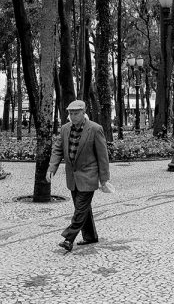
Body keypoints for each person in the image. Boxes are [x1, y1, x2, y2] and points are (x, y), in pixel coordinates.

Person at [46, 100, 111, 252]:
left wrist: (104, 179)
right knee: (83, 208)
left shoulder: (95, 129)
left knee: (80, 209)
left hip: (89, 175)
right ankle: (90, 236)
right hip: (73, 177)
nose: (73, 116)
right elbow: (58, 149)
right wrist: (52, 168)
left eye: (76, 113)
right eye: (70, 113)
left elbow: (103, 156)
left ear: (83, 113)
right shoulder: (65, 129)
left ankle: (69, 238)